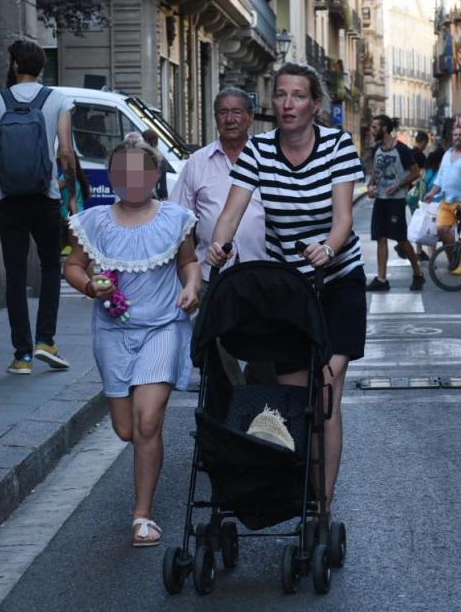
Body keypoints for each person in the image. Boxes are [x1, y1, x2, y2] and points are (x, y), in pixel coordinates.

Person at [205, 62, 366, 515]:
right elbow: (233, 210)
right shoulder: (257, 150)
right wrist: (220, 245)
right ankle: (299, 490)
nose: (288, 103)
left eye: (298, 95)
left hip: (336, 283)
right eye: (280, 95)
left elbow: (343, 218)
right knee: (294, 399)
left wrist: (328, 249)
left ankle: (324, 504)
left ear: (315, 105)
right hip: (290, 292)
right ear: (272, 103)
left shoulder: (338, 145)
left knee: (326, 392)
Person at [63, 140, 201, 546]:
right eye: (123, 173)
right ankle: (146, 456)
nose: (133, 181)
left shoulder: (176, 219)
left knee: (146, 420)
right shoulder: (95, 222)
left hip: (163, 327)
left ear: (155, 176)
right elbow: (72, 265)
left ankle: (142, 515)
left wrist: (192, 287)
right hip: (113, 333)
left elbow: (188, 262)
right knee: (127, 430)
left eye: (141, 172)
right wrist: (91, 285)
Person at [0, 40, 78, 375]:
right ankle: (45, 341)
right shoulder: (57, 99)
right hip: (45, 197)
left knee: (15, 273)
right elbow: (65, 152)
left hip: (9, 200)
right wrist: (70, 191)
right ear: (41, 68)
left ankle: (21, 355)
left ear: (13, 66)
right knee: (51, 266)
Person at [170, 88, 267, 284]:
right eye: (223, 112)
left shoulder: (267, 159)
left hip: (263, 274)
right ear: (215, 118)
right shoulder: (198, 162)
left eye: (237, 112)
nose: (229, 119)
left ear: (250, 118)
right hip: (211, 276)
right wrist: (187, 270)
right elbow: (178, 219)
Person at [366, 114, 425, 291]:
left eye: (375, 127)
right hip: (380, 201)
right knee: (380, 238)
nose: (372, 130)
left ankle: (418, 274)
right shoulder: (377, 149)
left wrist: (398, 184)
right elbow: (376, 173)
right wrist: (370, 186)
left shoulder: (402, 149)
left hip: (396, 201)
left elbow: (416, 173)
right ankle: (382, 279)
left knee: (401, 240)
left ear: (384, 128)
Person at [423, 124, 461, 274]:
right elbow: (440, 178)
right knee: (441, 229)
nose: (458, 137)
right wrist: (431, 193)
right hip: (446, 201)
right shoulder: (446, 154)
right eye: (455, 135)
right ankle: (454, 260)